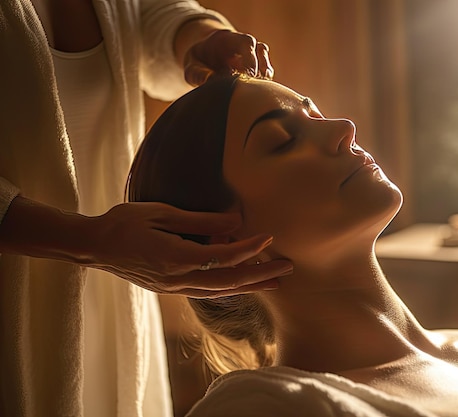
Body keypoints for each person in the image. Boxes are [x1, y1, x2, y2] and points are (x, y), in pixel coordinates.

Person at [127, 73, 458, 417]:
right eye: (282, 140)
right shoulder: (274, 407)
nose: (343, 129)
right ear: (223, 236)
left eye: (316, 114)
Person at [0, 1, 293, 416]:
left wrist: (199, 36)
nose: (345, 129)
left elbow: (146, 15)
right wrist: (89, 241)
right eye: (282, 140)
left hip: (114, 294)